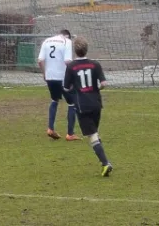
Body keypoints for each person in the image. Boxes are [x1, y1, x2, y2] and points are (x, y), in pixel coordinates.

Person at [63, 36, 113, 177]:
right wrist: (96, 89)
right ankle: (101, 154)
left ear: (75, 50)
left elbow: (66, 88)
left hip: (82, 105)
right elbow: (103, 84)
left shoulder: (71, 67)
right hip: (96, 103)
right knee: (95, 132)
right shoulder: (95, 64)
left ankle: (105, 163)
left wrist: (74, 86)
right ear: (86, 49)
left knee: (92, 135)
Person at [38, 29, 80, 141]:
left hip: (50, 77)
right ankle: (70, 134)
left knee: (54, 100)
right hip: (63, 77)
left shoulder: (46, 41)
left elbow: (40, 60)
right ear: (67, 36)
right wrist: (73, 77)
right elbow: (67, 61)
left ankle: (50, 128)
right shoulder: (67, 41)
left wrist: (44, 74)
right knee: (72, 103)